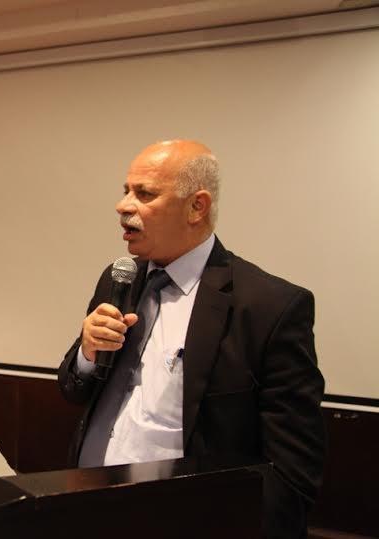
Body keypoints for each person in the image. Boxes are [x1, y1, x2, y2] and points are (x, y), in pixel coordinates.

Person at [58, 140, 325, 538]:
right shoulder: (118, 279)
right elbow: (72, 388)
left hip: (186, 520)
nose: (123, 205)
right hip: (89, 508)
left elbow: (292, 468)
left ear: (196, 207)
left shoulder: (269, 307)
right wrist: (87, 352)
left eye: (145, 193)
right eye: (126, 190)